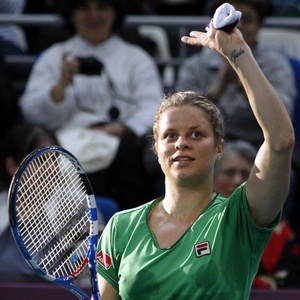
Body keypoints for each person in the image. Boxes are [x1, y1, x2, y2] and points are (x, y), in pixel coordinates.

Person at [95, 2, 295, 297]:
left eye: (196, 134)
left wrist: (238, 54)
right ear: (156, 148)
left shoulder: (239, 219)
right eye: (170, 135)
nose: (181, 143)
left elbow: (280, 142)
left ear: (219, 147)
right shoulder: (120, 228)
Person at [19, 0, 163, 210]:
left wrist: (123, 129)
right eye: (84, 8)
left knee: (129, 157)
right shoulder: (54, 57)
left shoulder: (136, 58)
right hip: (66, 144)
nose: (93, 15)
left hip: (121, 144)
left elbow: (154, 107)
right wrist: (60, 86)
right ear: (72, 14)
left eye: (102, 7)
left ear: (115, 12)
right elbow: (30, 111)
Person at [176, 0, 296, 150]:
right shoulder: (195, 66)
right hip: (206, 147)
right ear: (213, 24)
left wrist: (244, 81)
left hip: (261, 145)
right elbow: (182, 118)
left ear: (258, 26)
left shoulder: (276, 64)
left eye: (247, 20)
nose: (237, 26)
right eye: (228, 18)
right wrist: (218, 88)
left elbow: (282, 119)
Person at [214, 140, 300, 289]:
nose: (237, 181)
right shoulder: (195, 223)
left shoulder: (278, 230)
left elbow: (291, 283)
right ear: (212, 179)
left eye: (246, 174)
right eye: (229, 172)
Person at [0, 123, 59, 283]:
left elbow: (90, 279)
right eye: (41, 160)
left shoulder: (79, 208)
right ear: (12, 165)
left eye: (55, 160)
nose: (53, 168)